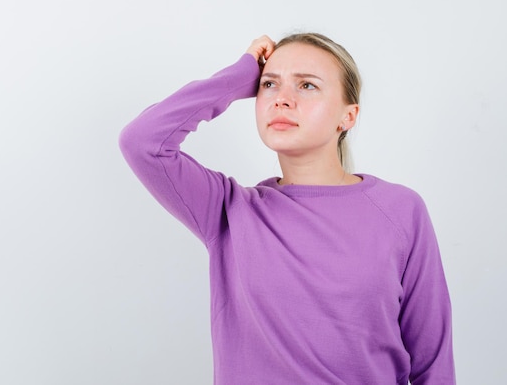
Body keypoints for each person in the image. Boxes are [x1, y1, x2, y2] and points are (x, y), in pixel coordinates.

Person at [119, 33, 455, 384]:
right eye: (269, 85)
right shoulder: (229, 211)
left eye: (307, 85)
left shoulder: (401, 211)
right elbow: (143, 142)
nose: (282, 99)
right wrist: (237, 77)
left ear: (348, 115)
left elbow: (433, 364)